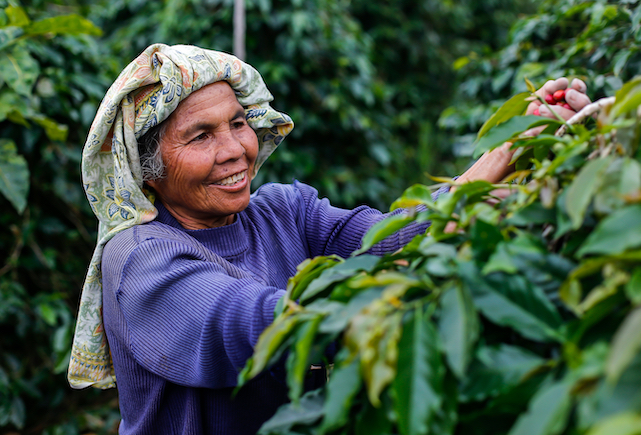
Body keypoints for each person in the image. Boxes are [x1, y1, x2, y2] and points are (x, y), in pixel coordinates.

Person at [67, 44, 591, 434]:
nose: (235, 150)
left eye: (238, 124)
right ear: (149, 171)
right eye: (201, 136)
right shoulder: (141, 261)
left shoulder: (282, 211)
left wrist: (518, 148)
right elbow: (264, 325)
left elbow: (402, 235)